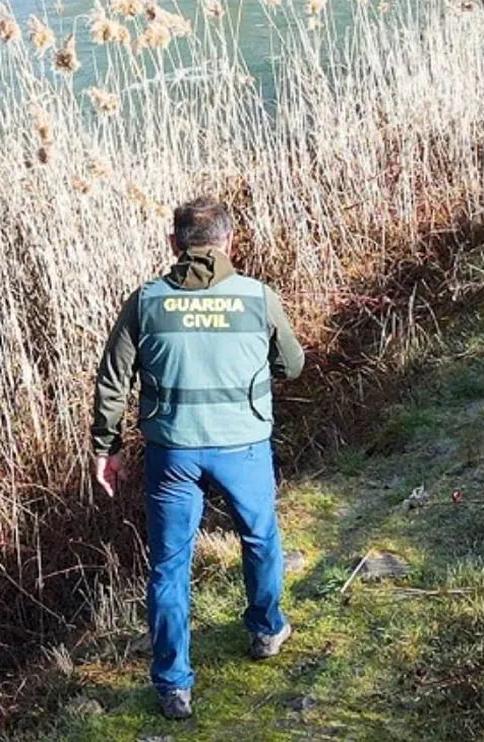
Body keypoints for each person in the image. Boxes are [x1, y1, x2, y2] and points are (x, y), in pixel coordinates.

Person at [89, 198, 305, 720]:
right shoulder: (257, 296)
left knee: (168, 566)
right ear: (230, 243)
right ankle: (265, 629)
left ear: (174, 244)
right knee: (259, 538)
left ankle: (174, 685)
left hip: (173, 452)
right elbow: (292, 365)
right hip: (243, 447)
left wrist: (105, 448)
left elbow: (113, 380)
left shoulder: (146, 302)